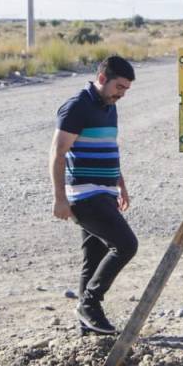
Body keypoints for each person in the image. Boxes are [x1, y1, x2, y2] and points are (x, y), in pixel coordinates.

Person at [49, 56, 139, 335]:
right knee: (126, 245)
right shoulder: (77, 107)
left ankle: (86, 327)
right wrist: (60, 198)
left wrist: (120, 185)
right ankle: (90, 303)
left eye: (125, 89)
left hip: (106, 191)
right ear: (102, 78)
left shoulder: (109, 106)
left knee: (94, 256)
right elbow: (58, 152)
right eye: (119, 87)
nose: (121, 94)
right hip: (84, 194)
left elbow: (108, 148)